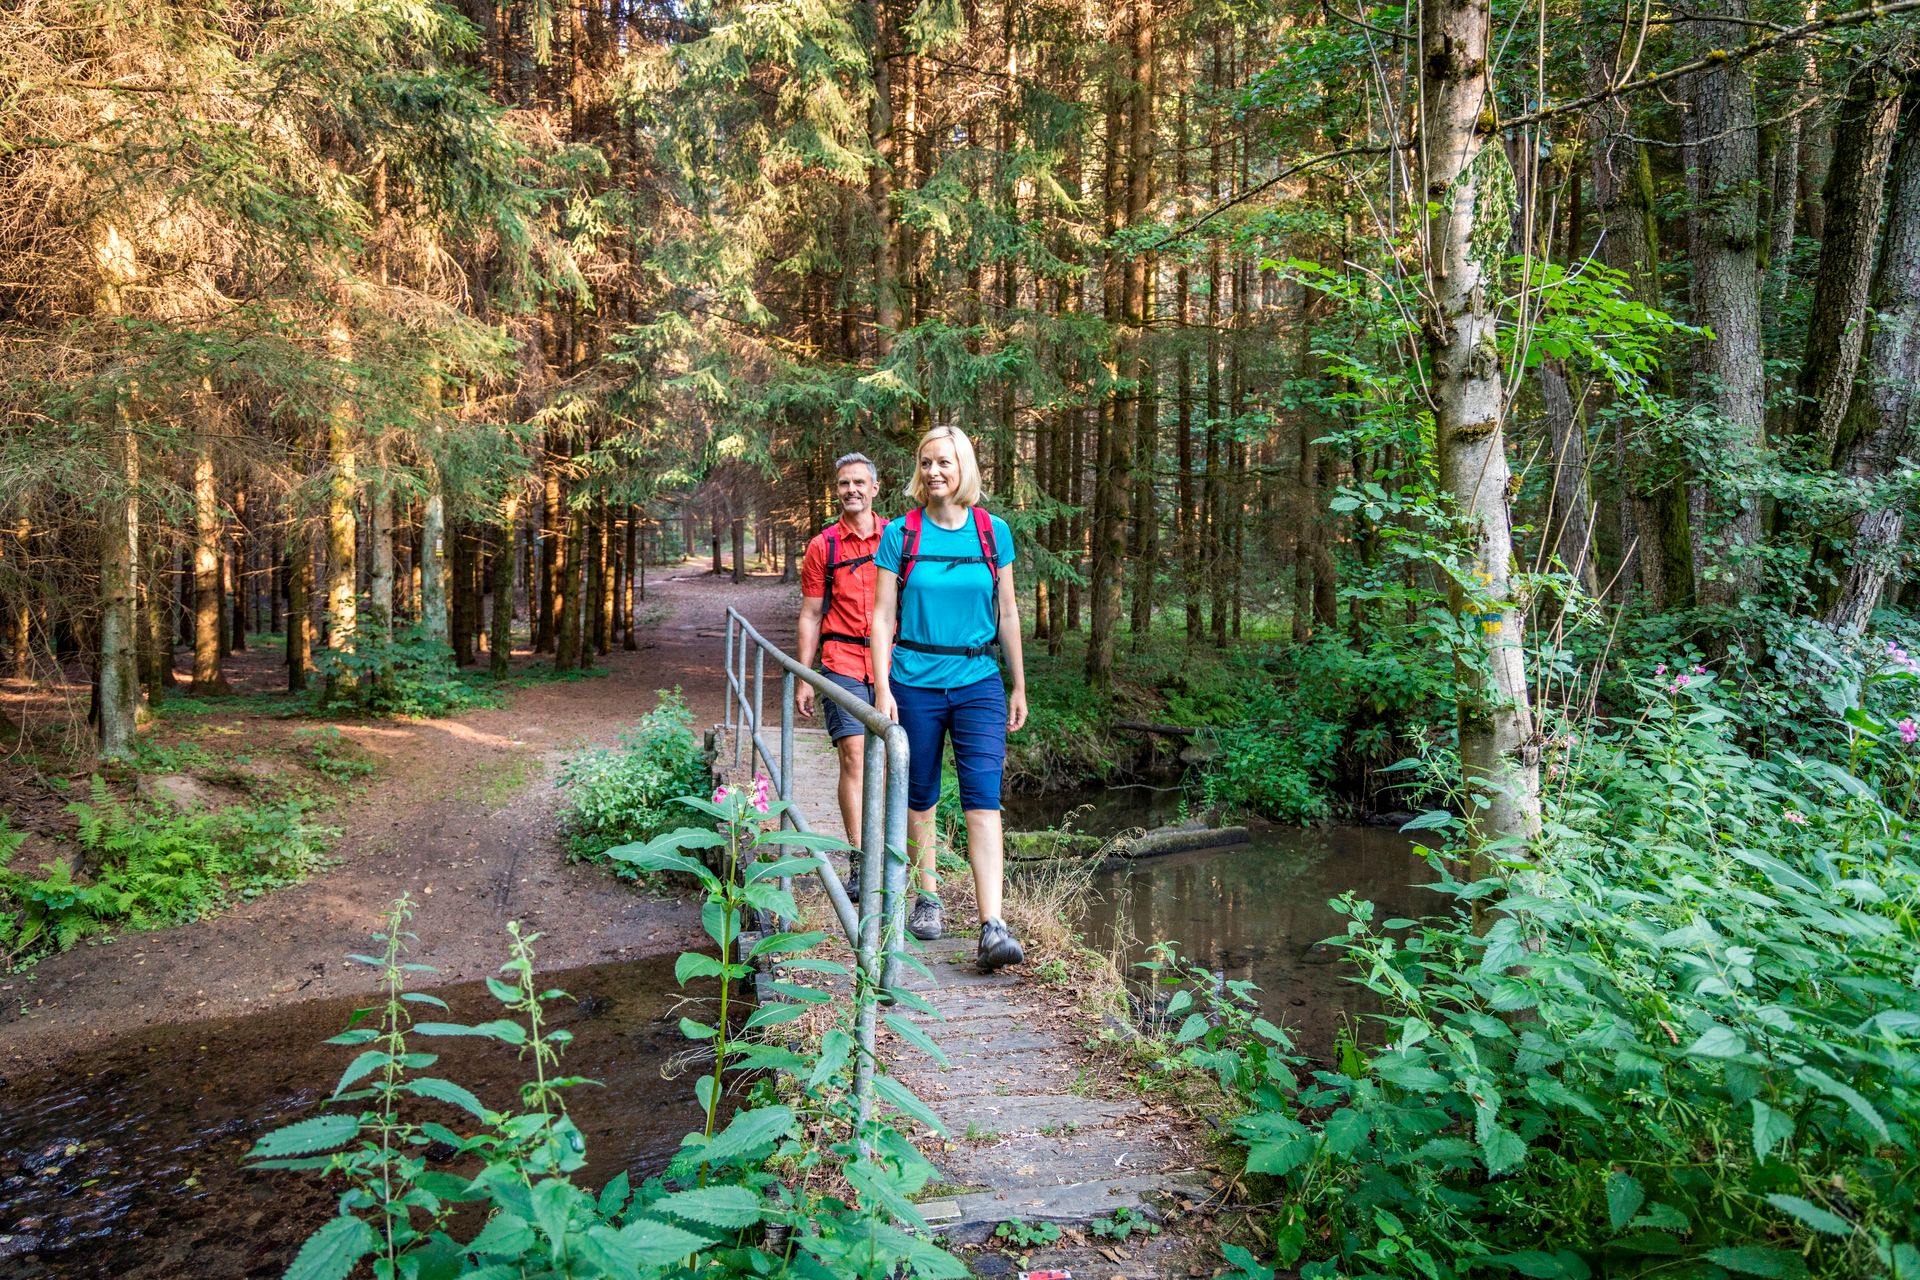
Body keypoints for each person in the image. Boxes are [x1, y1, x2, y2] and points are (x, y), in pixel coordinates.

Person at [871, 425, 1029, 972]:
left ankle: (992, 926)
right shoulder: (901, 533)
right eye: (926, 462)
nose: (934, 472)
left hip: (978, 680)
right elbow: (882, 616)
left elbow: (1007, 613)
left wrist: (1019, 683)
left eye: (945, 462)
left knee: (983, 798)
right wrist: (883, 686)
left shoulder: (992, 533)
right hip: (913, 679)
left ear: (963, 468)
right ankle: (929, 897)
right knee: (921, 796)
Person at [796, 453, 886, 864]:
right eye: (844, 484)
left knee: (890, 758)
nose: (852, 490)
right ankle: (859, 856)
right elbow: (812, 614)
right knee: (853, 755)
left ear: (874, 488)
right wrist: (803, 677)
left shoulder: (899, 537)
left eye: (859, 483)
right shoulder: (822, 546)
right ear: (837, 491)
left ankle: (896, 853)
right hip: (841, 661)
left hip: (894, 663)